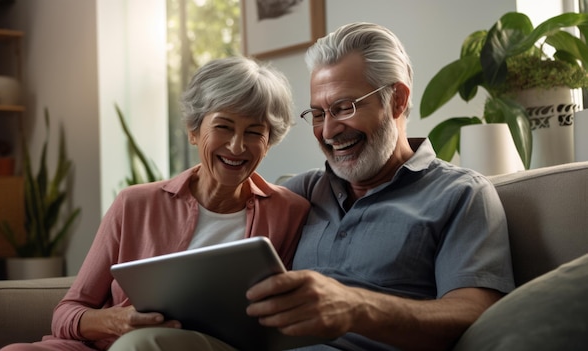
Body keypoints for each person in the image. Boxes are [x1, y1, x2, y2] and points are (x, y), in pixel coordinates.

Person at [110, 22, 515, 351]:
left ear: (396, 100)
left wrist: (358, 308)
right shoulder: (299, 193)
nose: (329, 130)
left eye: (344, 108)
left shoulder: (461, 195)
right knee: (142, 344)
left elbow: (477, 313)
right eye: (318, 113)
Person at [0, 56, 310, 351]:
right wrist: (116, 320)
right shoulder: (134, 204)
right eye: (223, 126)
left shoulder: (289, 212)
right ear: (193, 131)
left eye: (254, 132)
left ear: (268, 144)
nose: (237, 146)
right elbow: (67, 312)